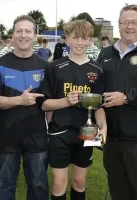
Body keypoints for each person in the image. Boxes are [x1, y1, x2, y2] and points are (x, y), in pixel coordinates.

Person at [39, 20, 107, 200]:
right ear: (67, 39)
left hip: (88, 134)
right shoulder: (54, 67)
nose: (80, 42)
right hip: (59, 133)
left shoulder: (97, 69)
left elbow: (99, 106)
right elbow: (44, 104)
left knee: (79, 182)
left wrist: (104, 128)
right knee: (59, 183)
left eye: (84, 38)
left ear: (90, 40)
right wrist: (66, 101)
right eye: (75, 38)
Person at [97, 4, 137, 200]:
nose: (129, 27)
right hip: (111, 139)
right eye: (125, 22)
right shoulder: (105, 54)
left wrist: (126, 97)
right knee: (118, 192)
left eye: (134, 22)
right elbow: (95, 90)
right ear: (119, 24)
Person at [0, 15, 49, 200]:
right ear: (12, 35)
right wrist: (19, 101)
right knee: (4, 187)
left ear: (35, 35)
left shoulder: (46, 66)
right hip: (8, 136)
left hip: (37, 137)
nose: (23, 35)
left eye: (28, 31)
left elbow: (49, 104)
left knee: (38, 186)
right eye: (19, 31)